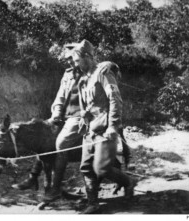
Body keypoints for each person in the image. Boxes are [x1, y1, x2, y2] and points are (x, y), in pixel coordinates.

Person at [13, 44, 84, 202]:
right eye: (67, 60)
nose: (70, 63)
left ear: (80, 56)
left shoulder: (90, 74)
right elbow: (60, 97)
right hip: (63, 118)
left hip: (79, 118)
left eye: (72, 59)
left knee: (59, 145)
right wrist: (56, 113)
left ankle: (54, 188)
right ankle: (34, 179)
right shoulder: (68, 75)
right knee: (42, 137)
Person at [72, 39, 136, 214]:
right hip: (90, 131)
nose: (75, 65)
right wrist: (83, 118)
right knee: (86, 167)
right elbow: (87, 107)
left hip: (105, 129)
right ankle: (93, 203)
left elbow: (115, 99)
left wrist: (113, 126)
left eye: (77, 61)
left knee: (101, 168)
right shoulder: (83, 81)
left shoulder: (103, 73)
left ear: (87, 57)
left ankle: (128, 182)